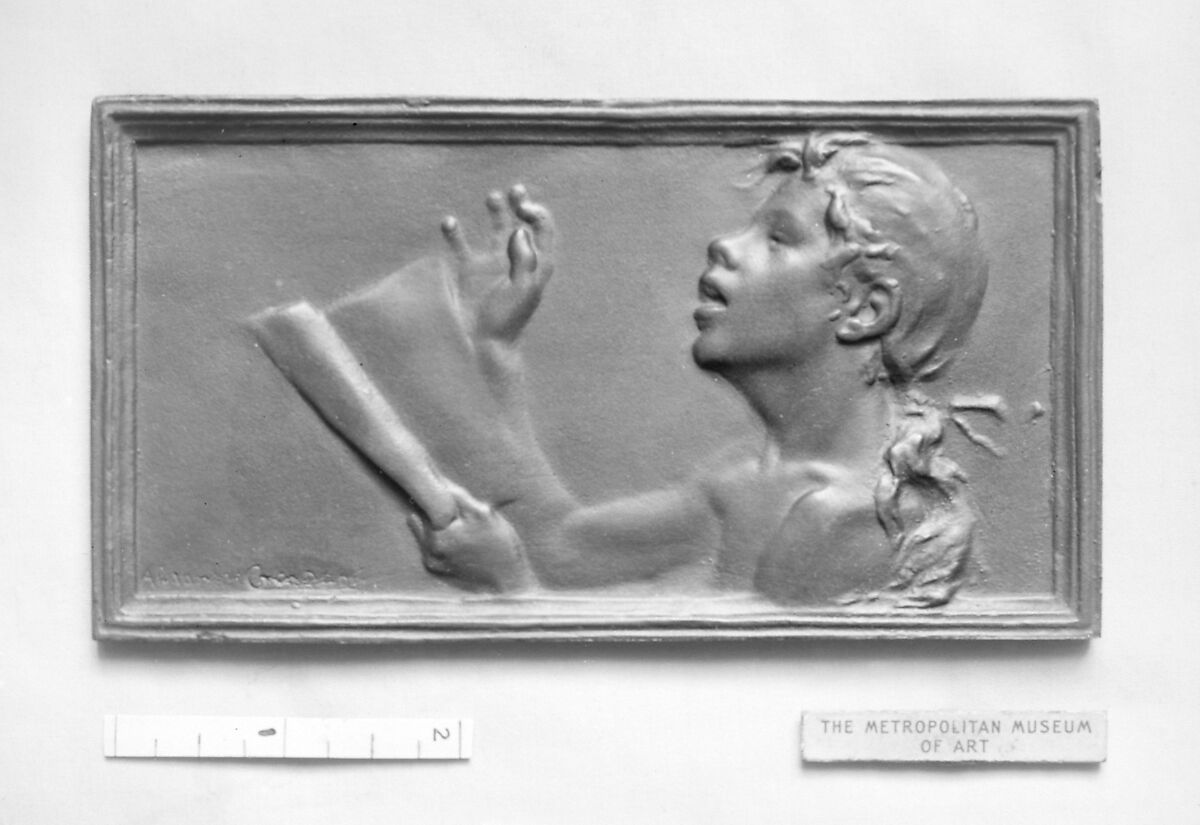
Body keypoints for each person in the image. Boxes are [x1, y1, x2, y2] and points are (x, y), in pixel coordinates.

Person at [383, 132, 991, 607]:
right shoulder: (748, 478)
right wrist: (496, 347)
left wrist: (510, 592)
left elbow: (731, 700)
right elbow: (562, 548)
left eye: (777, 238)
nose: (724, 244)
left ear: (865, 309)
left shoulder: (852, 521)